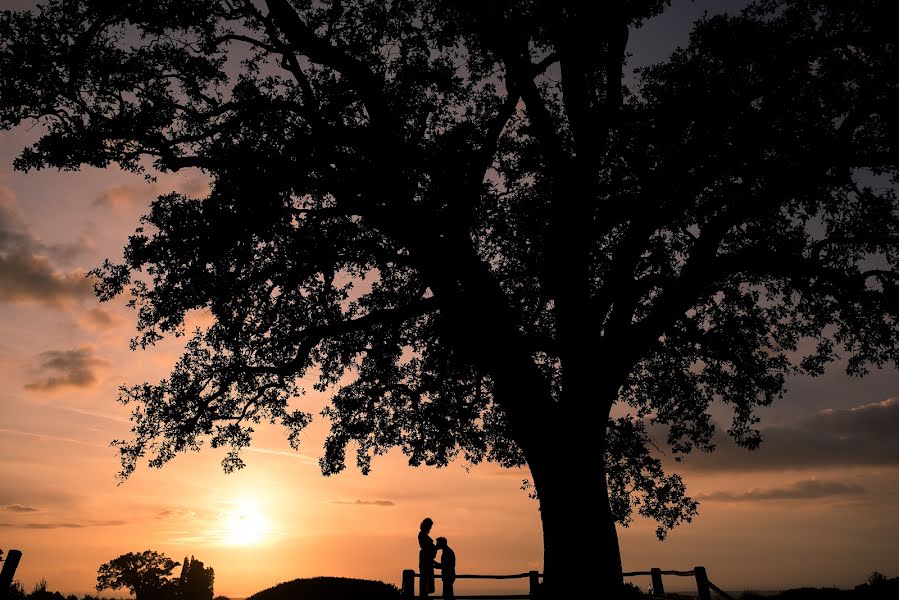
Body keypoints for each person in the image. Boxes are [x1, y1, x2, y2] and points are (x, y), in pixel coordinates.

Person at [418, 518, 437, 597]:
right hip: (426, 562)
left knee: (427, 583)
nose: (431, 528)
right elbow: (426, 549)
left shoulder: (423, 535)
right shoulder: (422, 535)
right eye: (430, 526)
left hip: (427, 561)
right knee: (425, 582)